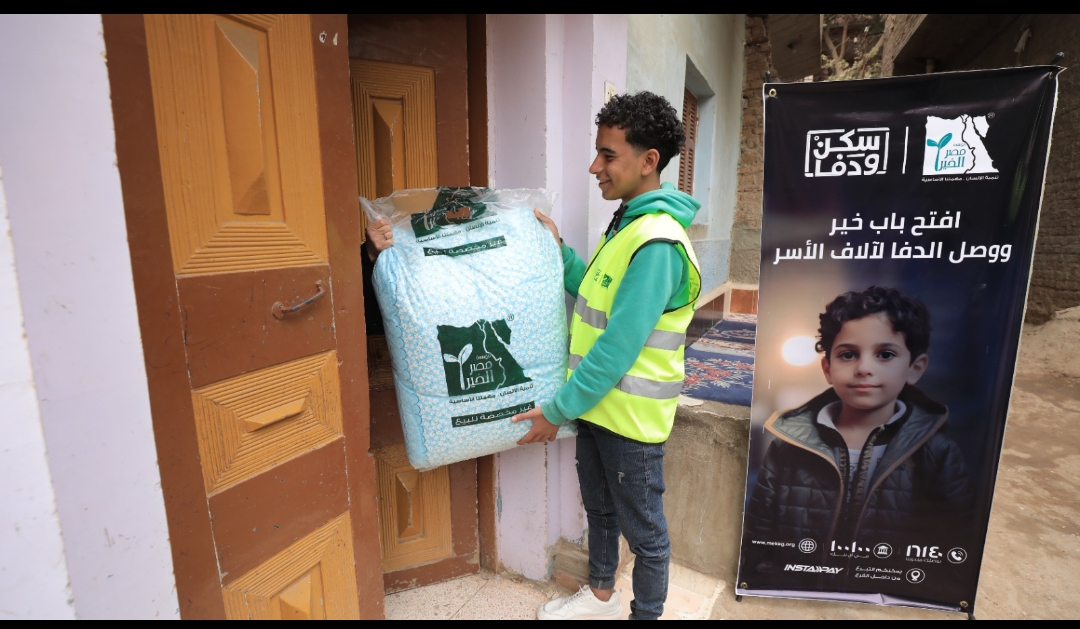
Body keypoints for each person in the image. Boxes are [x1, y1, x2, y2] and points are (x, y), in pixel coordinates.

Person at [511, 91, 702, 620]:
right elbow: (593, 293)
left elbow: (618, 346)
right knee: (599, 511)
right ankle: (600, 597)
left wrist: (556, 410)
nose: (595, 166)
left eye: (608, 155)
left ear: (648, 161)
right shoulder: (626, 225)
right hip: (599, 407)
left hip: (630, 420)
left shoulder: (657, 243)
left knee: (646, 536)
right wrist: (559, 252)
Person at [741, 286, 973, 589]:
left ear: (914, 369)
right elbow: (757, 539)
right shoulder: (787, 445)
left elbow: (954, 547)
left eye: (885, 355)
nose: (864, 368)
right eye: (848, 355)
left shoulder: (938, 453)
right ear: (828, 369)